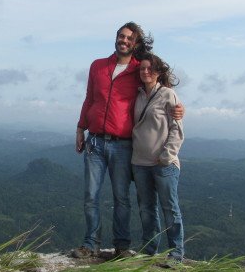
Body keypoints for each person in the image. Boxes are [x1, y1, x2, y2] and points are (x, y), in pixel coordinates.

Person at [72, 22, 184, 259]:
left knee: (121, 198)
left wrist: (178, 108)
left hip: (123, 144)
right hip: (95, 142)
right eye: (120, 36)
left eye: (128, 38)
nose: (123, 40)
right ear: (116, 38)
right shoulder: (98, 66)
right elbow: (89, 99)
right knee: (91, 196)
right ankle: (90, 243)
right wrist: (81, 127)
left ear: (135, 44)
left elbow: (158, 90)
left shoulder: (138, 70)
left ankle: (121, 247)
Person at [131, 52, 185, 262]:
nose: (145, 72)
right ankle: (149, 251)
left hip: (163, 165)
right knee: (146, 210)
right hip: (140, 163)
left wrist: (166, 156)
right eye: (142, 68)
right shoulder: (137, 95)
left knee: (170, 209)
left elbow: (177, 129)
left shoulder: (168, 94)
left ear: (159, 72)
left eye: (150, 69)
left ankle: (176, 254)